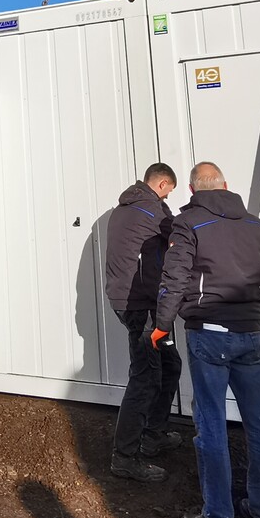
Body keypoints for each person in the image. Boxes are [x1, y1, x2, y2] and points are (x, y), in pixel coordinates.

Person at [155, 161, 260, 518]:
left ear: (194, 192)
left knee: (210, 422)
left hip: (209, 334)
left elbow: (174, 278)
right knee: (259, 421)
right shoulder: (253, 225)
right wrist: (248, 297)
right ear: (226, 185)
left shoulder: (189, 223)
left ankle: (218, 514)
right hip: (251, 334)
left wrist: (163, 325)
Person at [104, 162, 183, 483]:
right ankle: (125, 457)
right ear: (162, 184)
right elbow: (183, 233)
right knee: (146, 376)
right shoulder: (153, 210)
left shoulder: (123, 209)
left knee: (170, 363)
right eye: (170, 192)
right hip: (141, 306)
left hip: (128, 301)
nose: (169, 199)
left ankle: (153, 434)